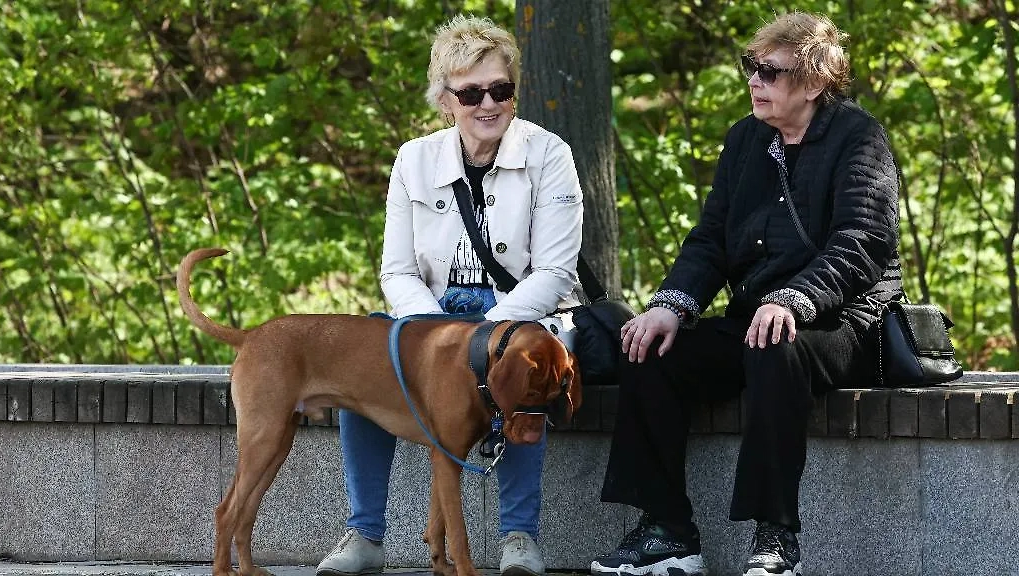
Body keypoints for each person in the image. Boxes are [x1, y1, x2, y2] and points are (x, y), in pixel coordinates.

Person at [589, 12, 902, 576]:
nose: (755, 80)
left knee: (774, 345)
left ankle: (775, 537)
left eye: (770, 71)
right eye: (750, 67)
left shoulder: (859, 137)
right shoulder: (744, 140)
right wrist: (671, 305)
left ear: (813, 82)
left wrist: (795, 299)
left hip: (844, 322)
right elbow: (711, 238)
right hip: (756, 317)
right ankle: (668, 532)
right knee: (647, 350)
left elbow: (864, 241)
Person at [315, 14, 583, 576]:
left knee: (521, 366)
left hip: (520, 309)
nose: (488, 104)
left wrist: (486, 336)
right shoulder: (414, 159)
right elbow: (396, 271)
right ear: (445, 100)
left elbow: (555, 272)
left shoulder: (549, 153)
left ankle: (518, 536)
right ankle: (365, 533)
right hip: (432, 315)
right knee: (363, 356)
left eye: (500, 90)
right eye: (471, 93)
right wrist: (435, 333)